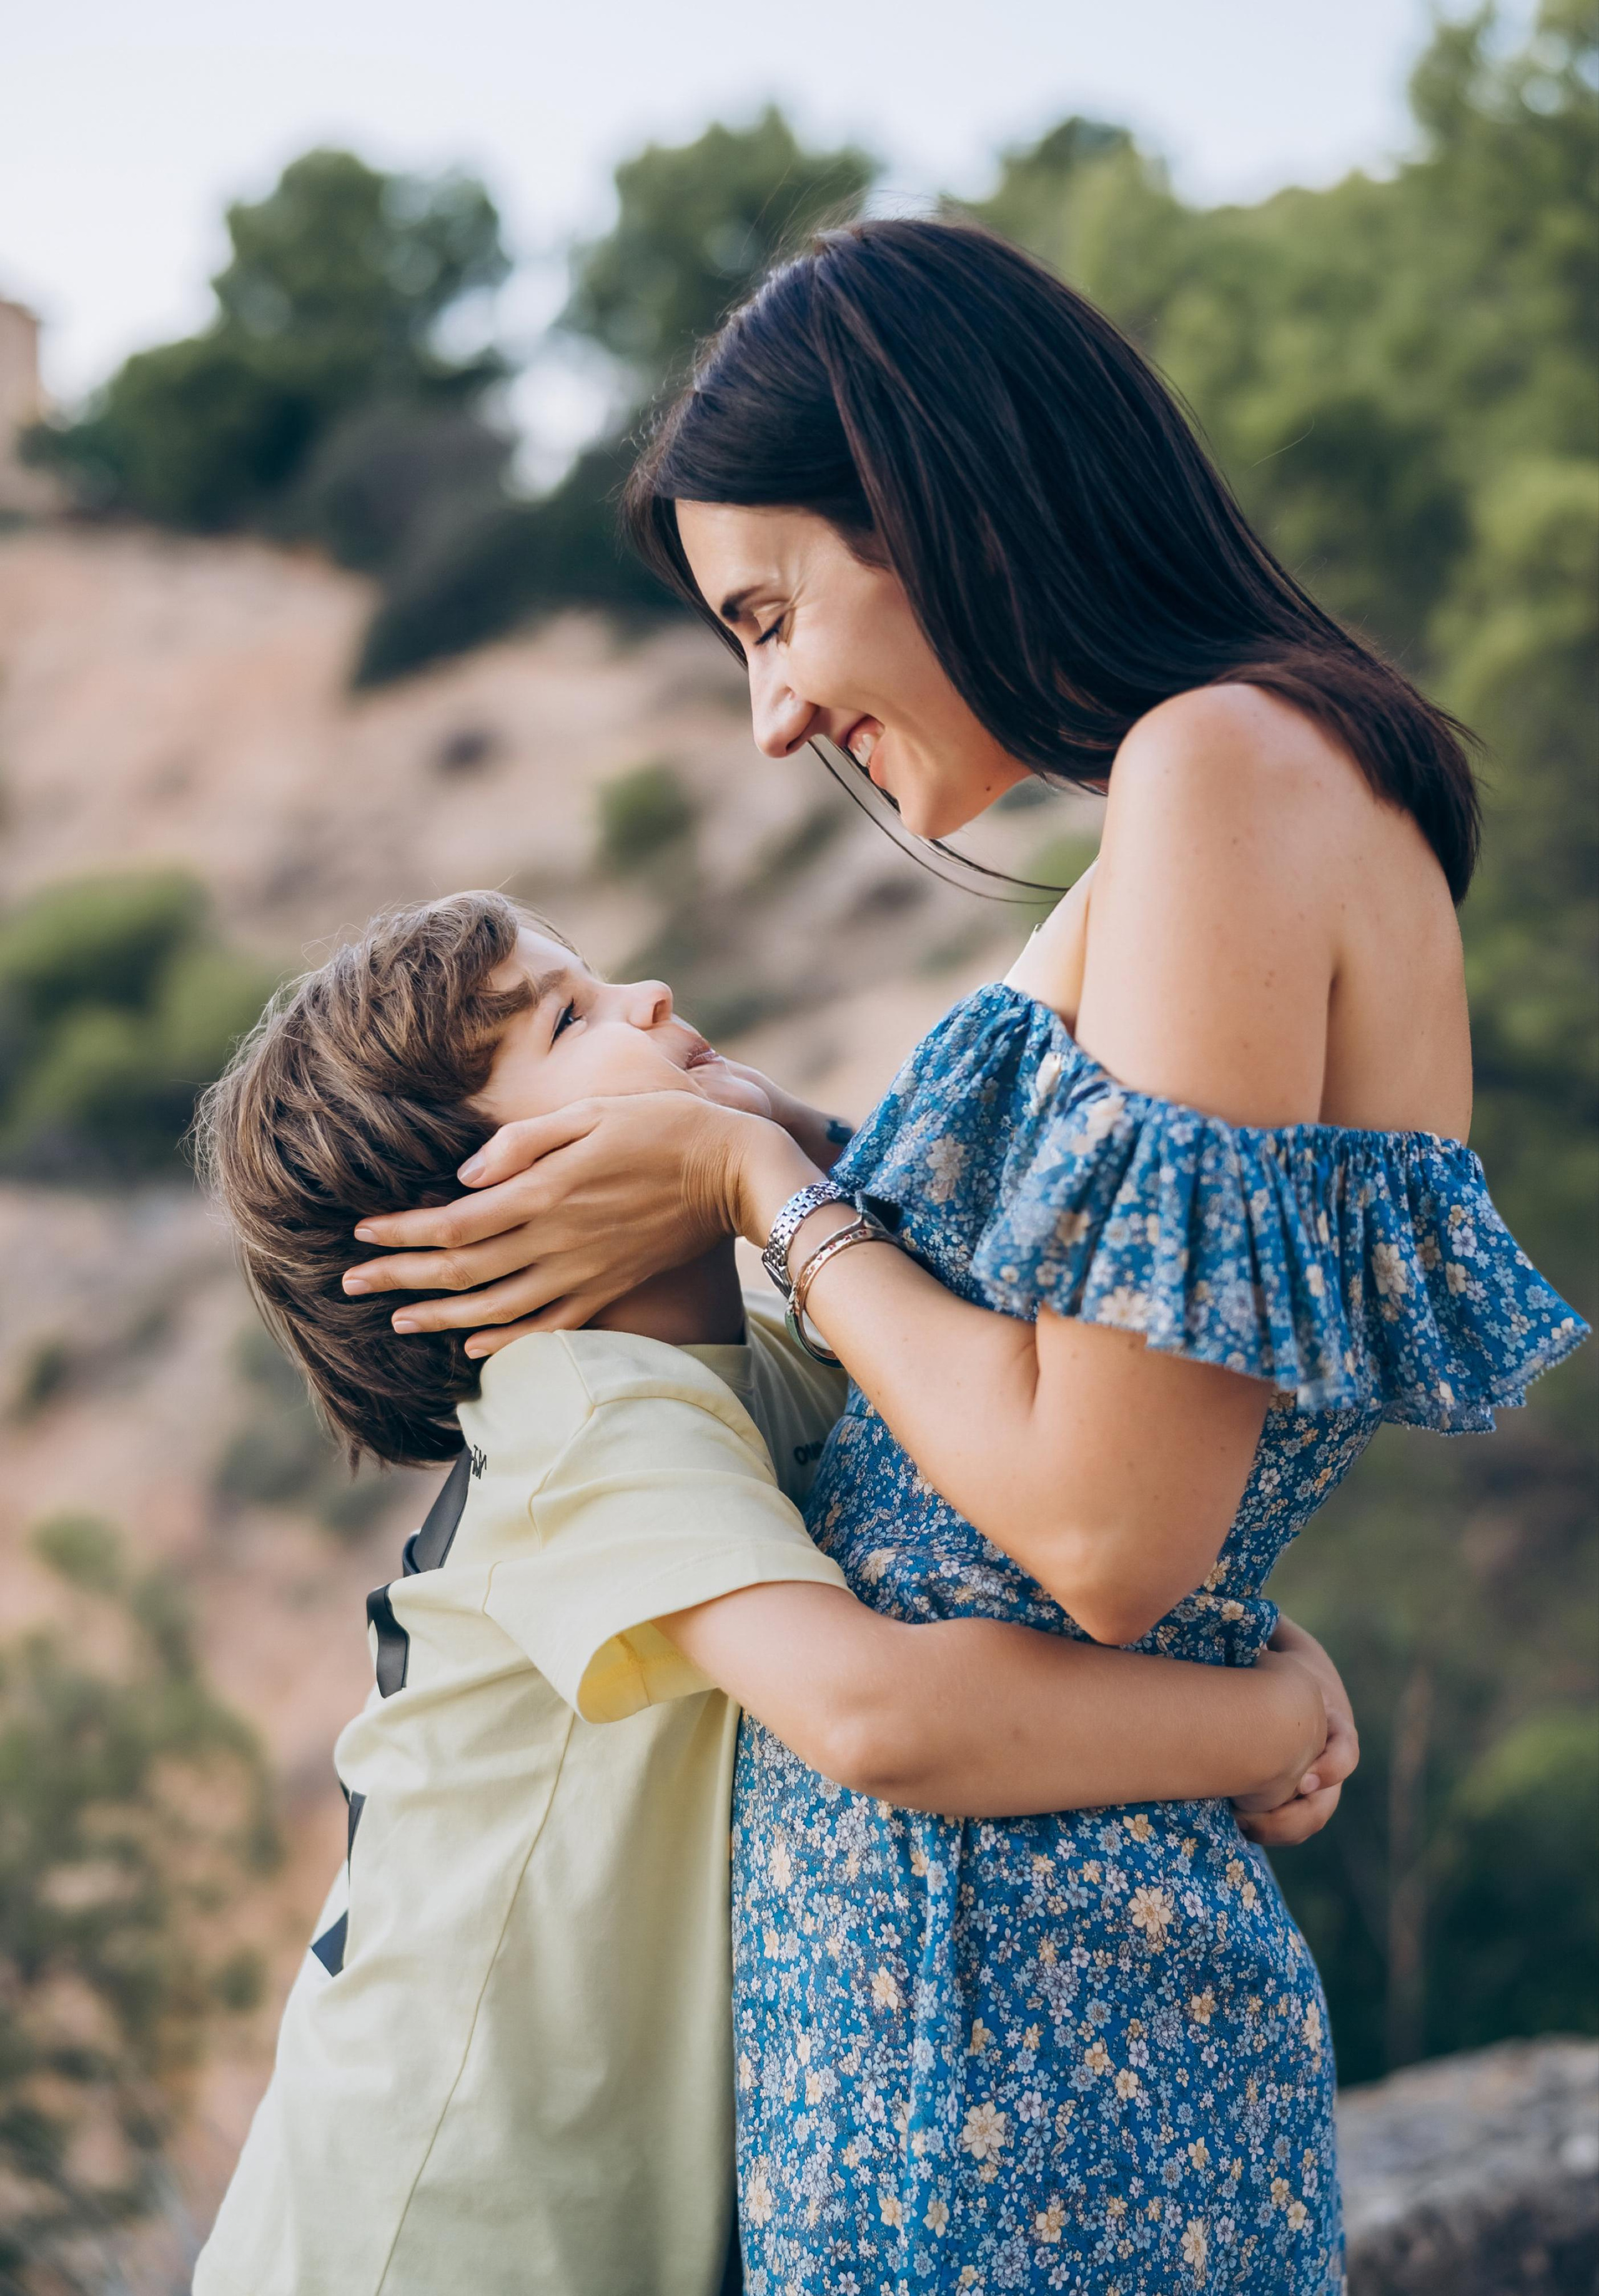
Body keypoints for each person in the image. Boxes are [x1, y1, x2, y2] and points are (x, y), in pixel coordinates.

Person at [342, 221, 1588, 2292]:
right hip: (1000, 1999)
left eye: (771, 612)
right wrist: (762, 1136)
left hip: (1011, 2034)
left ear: (924, 506)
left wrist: (772, 1201)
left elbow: (1107, 1524)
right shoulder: (1242, 794)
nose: (768, 716)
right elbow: (1065, 1311)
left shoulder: (1226, 773)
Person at [192, 890, 1347, 2296]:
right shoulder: (580, 1417)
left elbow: (951, 1319)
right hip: (422, 2241)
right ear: (494, 1203)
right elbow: (876, 1717)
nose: (653, 997)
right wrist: (1257, 1721)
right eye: (571, 1018)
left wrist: (772, 1139)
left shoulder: (743, 1369)